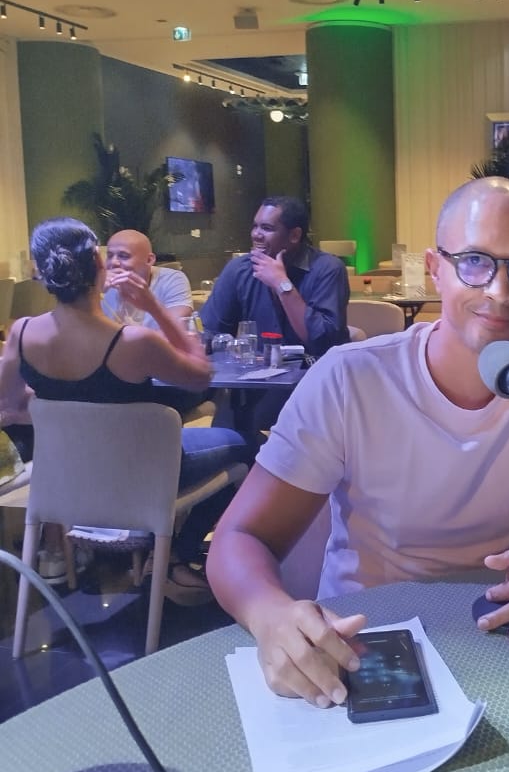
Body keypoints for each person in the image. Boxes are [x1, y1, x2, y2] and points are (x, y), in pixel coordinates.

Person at [207, 177, 509, 706]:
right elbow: (240, 537)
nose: (501, 292)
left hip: (505, 634)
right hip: (366, 641)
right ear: (435, 268)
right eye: (474, 262)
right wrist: (271, 615)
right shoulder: (351, 379)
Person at [0, 218, 248, 594]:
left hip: (69, 479)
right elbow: (201, 375)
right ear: (99, 265)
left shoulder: (21, 333)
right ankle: (175, 555)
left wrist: (57, 404)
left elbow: (10, 404)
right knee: (253, 446)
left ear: (43, 274)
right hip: (141, 475)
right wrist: (154, 307)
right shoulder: (133, 341)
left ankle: (149, 549)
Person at [200, 196, 349, 359]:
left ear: (294, 235)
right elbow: (210, 331)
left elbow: (324, 343)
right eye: (255, 226)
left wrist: (281, 284)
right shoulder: (239, 269)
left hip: (313, 371)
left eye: (267, 228)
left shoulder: (327, 268)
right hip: (254, 372)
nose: (256, 235)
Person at [101, 229, 193, 332]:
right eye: (109, 256)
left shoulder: (172, 280)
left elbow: (177, 331)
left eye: (123, 256)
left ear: (149, 260)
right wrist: (93, 293)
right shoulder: (100, 286)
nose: (113, 263)